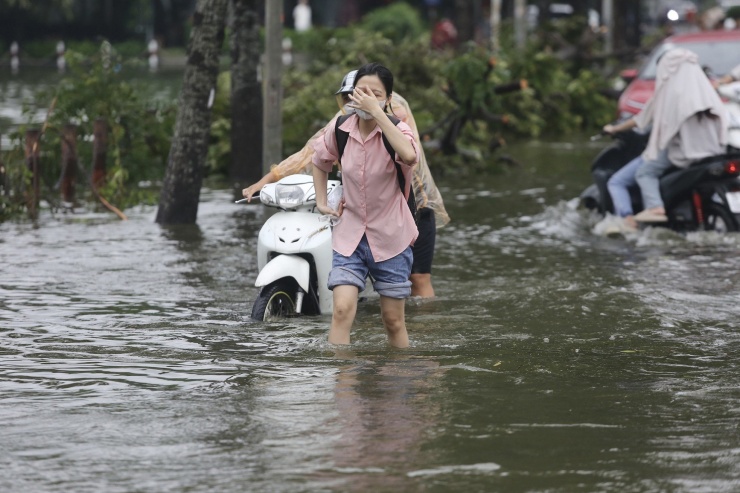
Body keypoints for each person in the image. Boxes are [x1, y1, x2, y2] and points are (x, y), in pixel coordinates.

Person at [242, 70, 450, 298]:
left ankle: (425, 327)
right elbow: (309, 155)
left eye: (368, 94)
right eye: (352, 95)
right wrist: (263, 183)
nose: (354, 101)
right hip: (364, 216)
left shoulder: (392, 112)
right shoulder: (344, 125)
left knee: (418, 278)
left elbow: (408, 153)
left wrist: (375, 111)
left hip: (413, 206)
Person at [312, 62, 418, 348]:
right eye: (361, 92)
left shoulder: (398, 131)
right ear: (350, 94)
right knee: (342, 310)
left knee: (393, 321)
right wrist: (321, 202)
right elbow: (320, 160)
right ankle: (343, 388)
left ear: (388, 99)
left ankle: (397, 385)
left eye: (375, 93)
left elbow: (409, 156)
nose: (366, 98)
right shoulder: (340, 129)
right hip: (350, 237)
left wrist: (378, 115)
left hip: (392, 237)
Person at [603, 48, 728, 223]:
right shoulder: (707, 93)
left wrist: (614, 129)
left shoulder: (669, 94)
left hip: (680, 153)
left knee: (644, 173)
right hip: (711, 153)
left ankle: (653, 209)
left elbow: (641, 119)